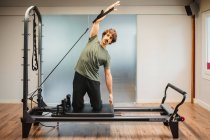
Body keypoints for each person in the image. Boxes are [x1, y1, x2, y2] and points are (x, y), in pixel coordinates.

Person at [72, 1, 120, 112]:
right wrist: (109, 10)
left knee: (97, 107)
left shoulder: (106, 56)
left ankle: (97, 101)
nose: (108, 38)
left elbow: (108, 75)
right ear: (104, 35)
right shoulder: (93, 39)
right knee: (76, 107)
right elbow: (97, 22)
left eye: (111, 38)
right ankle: (78, 103)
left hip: (93, 79)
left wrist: (111, 94)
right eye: (107, 35)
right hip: (79, 75)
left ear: (111, 42)